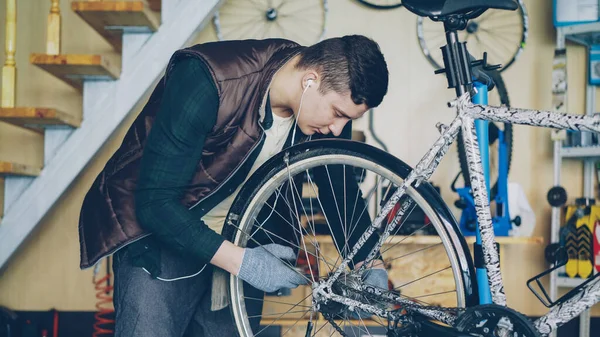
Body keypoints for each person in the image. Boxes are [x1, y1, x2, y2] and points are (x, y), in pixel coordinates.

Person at [78, 34, 389, 336]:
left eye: (347, 120)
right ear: (310, 80)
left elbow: (340, 192)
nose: (338, 129)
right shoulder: (209, 79)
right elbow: (155, 205)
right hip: (161, 240)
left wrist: (368, 260)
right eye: (337, 114)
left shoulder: (326, 118)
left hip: (241, 246)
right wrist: (246, 264)